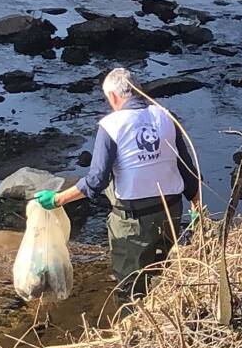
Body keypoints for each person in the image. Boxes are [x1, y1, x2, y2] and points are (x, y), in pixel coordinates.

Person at [35, 67, 200, 301]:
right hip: (170, 212)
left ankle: (134, 330)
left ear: (113, 96)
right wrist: (197, 206)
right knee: (163, 275)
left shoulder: (111, 125)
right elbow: (187, 169)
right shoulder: (166, 116)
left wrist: (57, 199)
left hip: (134, 220)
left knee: (130, 287)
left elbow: (97, 180)